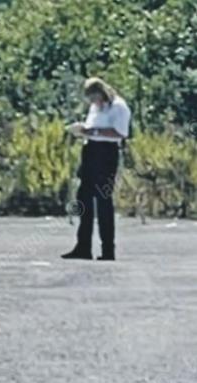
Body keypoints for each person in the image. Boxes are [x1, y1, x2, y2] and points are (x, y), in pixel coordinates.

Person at [62, 78, 131, 261]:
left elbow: (120, 133)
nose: (93, 102)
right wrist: (82, 130)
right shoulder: (95, 108)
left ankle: (108, 249)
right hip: (91, 151)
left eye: (95, 98)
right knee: (83, 198)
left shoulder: (118, 107)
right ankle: (83, 246)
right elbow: (92, 127)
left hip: (106, 154)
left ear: (101, 93)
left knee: (103, 201)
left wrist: (92, 132)